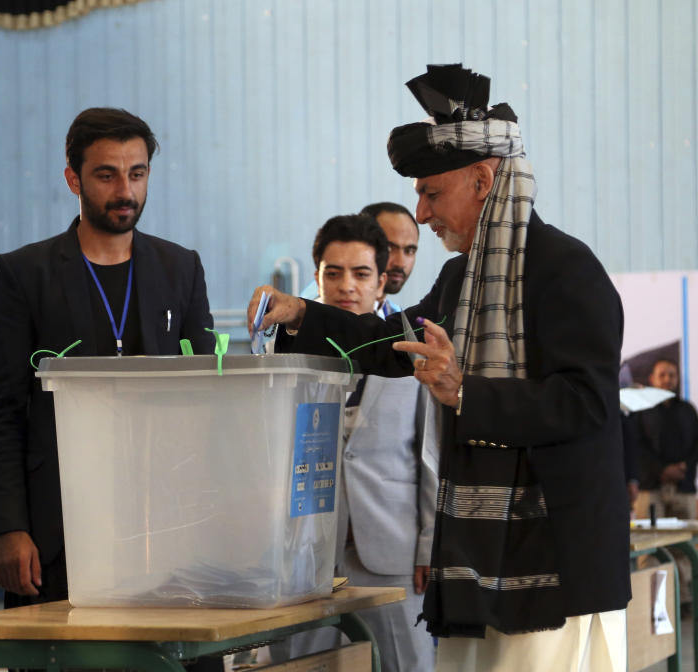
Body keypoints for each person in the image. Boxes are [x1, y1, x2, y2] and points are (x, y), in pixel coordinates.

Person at [250, 64, 629, 670]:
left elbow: (586, 404)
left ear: (482, 181)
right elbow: (386, 343)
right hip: (476, 560)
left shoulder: (567, 268)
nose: (420, 214)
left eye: (431, 193)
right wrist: (303, 314)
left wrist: (465, 392)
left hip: (551, 564)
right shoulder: (460, 279)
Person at [0, 107, 215, 610]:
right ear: (73, 179)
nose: (125, 191)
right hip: (58, 530)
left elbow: (204, 399)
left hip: (164, 524)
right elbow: (1, 411)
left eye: (137, 173)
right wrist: (10, 527)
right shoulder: (23, 274)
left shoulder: (181, 269)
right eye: (106, 175)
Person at [272, 214, 436, 672]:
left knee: (408, 663)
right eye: (333, 273)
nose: (347, 286)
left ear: (382, 282)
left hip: (393, 549)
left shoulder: (412, 350)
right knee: (305, 665)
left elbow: (430, 456)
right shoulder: (289, 354)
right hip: (308, 553)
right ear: (317, 277)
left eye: (361, 274)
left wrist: (429, 547)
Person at [629, 358, 698, 519]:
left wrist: (683, 467)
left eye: (672, 375)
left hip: (683, 489)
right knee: (650, 541)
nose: (667, 379)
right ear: (652, 378)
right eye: (662, 375)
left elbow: (695, 445)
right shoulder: (641, 410)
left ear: (677, 378)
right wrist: (662, 470)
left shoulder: (688, 410)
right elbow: (637, 446)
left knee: (684, 543)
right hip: (650, 489)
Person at [360, 201, 420, 315]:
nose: (400, 263)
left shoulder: (399, 320)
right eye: (389, 248)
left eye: (409, 251)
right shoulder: (319, 313)